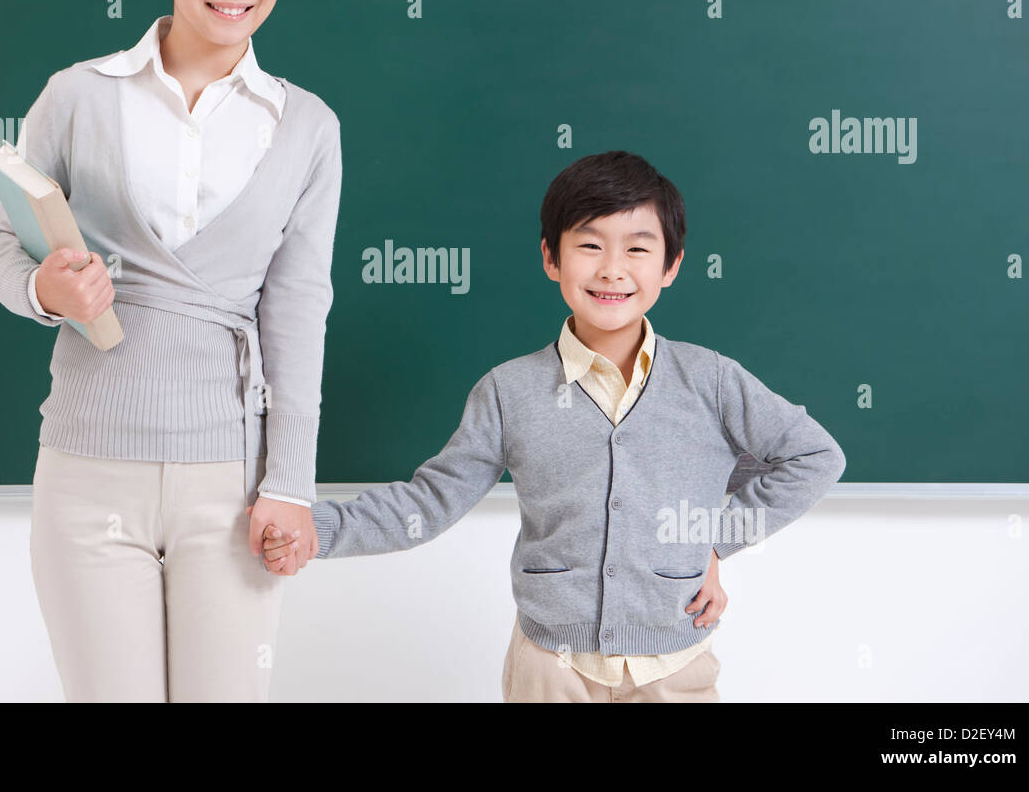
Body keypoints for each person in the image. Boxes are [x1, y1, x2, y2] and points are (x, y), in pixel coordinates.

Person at [263, 150, 846, 702]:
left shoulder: (711, 380)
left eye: (638, 250)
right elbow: (432, 500)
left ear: (671, 266)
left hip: (677, 664)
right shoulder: (509, 391)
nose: (612, 270)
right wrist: (319, 528)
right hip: (551, 668)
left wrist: (713, 540)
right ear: (551, 258)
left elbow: (812, 457)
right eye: (589, 245)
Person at [0, 0, 338, 701]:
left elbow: (298, 311)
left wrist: (290, 483)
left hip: (233, 478)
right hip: (86, 469)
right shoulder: (77, 96)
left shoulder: (308, 127)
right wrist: (44, 292)